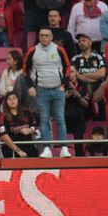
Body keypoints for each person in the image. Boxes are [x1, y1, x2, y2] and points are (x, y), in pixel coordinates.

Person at [24, 27, 73, 158]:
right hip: (41, 90)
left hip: (58, 89)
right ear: (39, 37)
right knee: (44, 120)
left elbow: (68, 67)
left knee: (60, 119)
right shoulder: (32, 50)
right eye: (42, 35)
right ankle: (47, 149)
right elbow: (25, 71)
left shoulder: (59, 49)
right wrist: (30, 86)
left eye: (47, 35)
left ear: (52, 37)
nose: (44, 38)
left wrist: (64, 84)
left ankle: (64, 148)